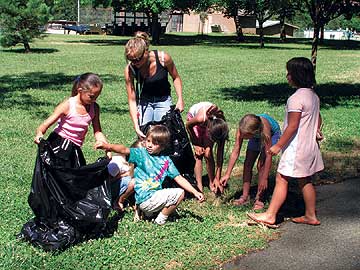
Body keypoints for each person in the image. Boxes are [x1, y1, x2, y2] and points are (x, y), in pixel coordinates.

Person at [247, 57, 324, 227]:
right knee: (305, 180)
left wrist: (278, 145)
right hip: (309, 147)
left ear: (298, 75)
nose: (287, 76)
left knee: (282, 178)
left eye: (289, 73)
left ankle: (270, 215)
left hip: (296, 148)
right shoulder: (313, 96)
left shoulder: (295, 99)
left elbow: (293, 126)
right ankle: (310, 215)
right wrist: (317, 131)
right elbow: (318, 118)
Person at [95, 125, 205, 225]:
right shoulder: (141, 154)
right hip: (146, 200)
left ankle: (147, 213)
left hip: (148, 199)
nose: (150, 145)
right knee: (180, 193)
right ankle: (160, 220)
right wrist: (108, 146)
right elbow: (124, 149)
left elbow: (179, 178)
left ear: (163, 146)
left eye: (155, 143)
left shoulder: (166, 161)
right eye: (148, 141)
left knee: (172, 202)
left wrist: (195, 191)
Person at [34, 72, 109, 166]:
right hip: (59, 145)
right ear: (80, 90)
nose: (94, 100)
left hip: (75, 148)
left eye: (97, 97)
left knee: (76, 175)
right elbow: (45, 125)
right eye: (91, 96)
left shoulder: (94, 108)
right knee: (63, 176)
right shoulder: (67, 105)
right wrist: (39, 134)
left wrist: (107, 147)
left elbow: (97, 131)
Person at [124, 31, 184, 139]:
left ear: (146, 52)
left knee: (163, 137)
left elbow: (176, 78)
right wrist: (136, 126)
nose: (135, 63)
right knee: (144, 137)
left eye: (138, 59)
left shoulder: (163, 59)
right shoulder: (131, 69)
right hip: (144, 101)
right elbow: (132, 100)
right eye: (131, 60)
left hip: (163, 100)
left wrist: (180, 99)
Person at [220, 114, 281, 210]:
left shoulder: (265, 130)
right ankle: (245, 196)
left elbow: (269, 155)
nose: (242, 138)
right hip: (255, 135)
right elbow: (236, 151)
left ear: (253, 132)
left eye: (245, 136)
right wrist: (227, 174)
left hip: (272, 134)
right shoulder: (242, 128)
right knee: (247, 163)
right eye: (242, 135)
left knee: (261, 164)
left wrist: (265, 178)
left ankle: (259, 198)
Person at [186, 102, 229, 194]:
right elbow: (188, 126)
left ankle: (212, 182)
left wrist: (218, 178)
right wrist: (196, 144)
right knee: (199, 153)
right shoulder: (200, 118)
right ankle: (199, 186)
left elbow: (220, 154)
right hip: (193, 122)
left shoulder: (221, 127)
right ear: (209, 131)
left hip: (210, 124)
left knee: (208, 152)